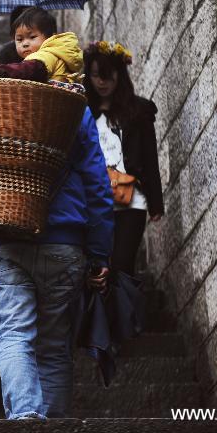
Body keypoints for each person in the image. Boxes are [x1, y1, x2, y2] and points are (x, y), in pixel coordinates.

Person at [0, 80, 114, 419]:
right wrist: (99, 253)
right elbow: (98, 185)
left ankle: (25, 420)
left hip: (1, 241)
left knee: (13, 336)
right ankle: (52, 428)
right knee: (53, 347)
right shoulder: (73, 112)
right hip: (64, 241)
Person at [83, 41, 164, 276]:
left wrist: (155, 203)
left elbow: (150, 157)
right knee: (99, 267)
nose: (102, 82)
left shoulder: (138, 111)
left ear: (120, 74)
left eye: (108, 75)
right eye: (97, 75)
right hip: (95, 201)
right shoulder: (83, 113)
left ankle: (128, 311)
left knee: (121, 265)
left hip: (132, 200)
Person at [0, 6, 83, 85]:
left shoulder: (46, 55)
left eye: (32, 37)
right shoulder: (56, 53)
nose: (25, 44)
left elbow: (26, 69)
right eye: (19, 39)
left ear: (50, 37)